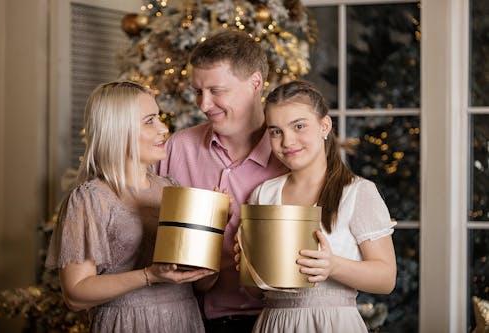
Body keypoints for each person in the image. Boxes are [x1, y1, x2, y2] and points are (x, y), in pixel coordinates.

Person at [45, 81, 214, 333]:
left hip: (184, 320)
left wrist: (213, 231)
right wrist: (149, 276)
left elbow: (202, 283)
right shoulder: (90, 199)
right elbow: (75, 295)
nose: (163, 129)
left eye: (159, 118)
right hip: (126, 324)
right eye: (149, 121)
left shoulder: (172, 189)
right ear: (117, 129)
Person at [157, 30, 288, 332]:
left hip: (279, 319)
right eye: (198, 91)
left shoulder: (291, 155)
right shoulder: (177, 149)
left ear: (255, 83)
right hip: (201, 321)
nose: (203, 105)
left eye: (217, 90)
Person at [241, 80, 397, 332]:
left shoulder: (357, 192)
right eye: (275, 131)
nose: (287, 141)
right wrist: (249, 265)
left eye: (299, 126)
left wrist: (333, 265)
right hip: (274, 322)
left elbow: (386, 278)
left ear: (324, 126)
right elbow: (253, 290)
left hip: (332, 323)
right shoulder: (263, 194)